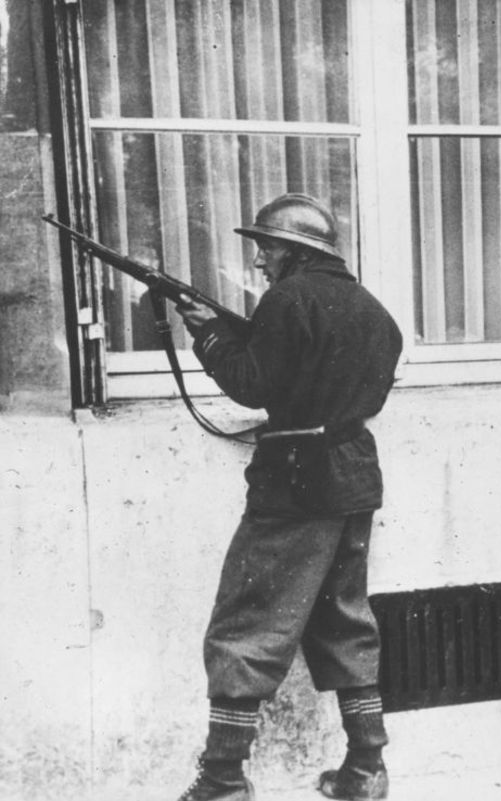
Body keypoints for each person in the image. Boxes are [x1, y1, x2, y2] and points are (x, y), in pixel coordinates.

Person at [172, 193, 403, 800]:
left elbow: (254, 385)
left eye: (265, 248)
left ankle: (222, 781)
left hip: (294, 485)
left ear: (296, 252)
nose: (258, 263)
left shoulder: (287, 299)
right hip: (353, 476)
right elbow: (316, 376)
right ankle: (365, 770)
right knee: (345, 622)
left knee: (246, 626)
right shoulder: (374, 312)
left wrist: (208, 338)